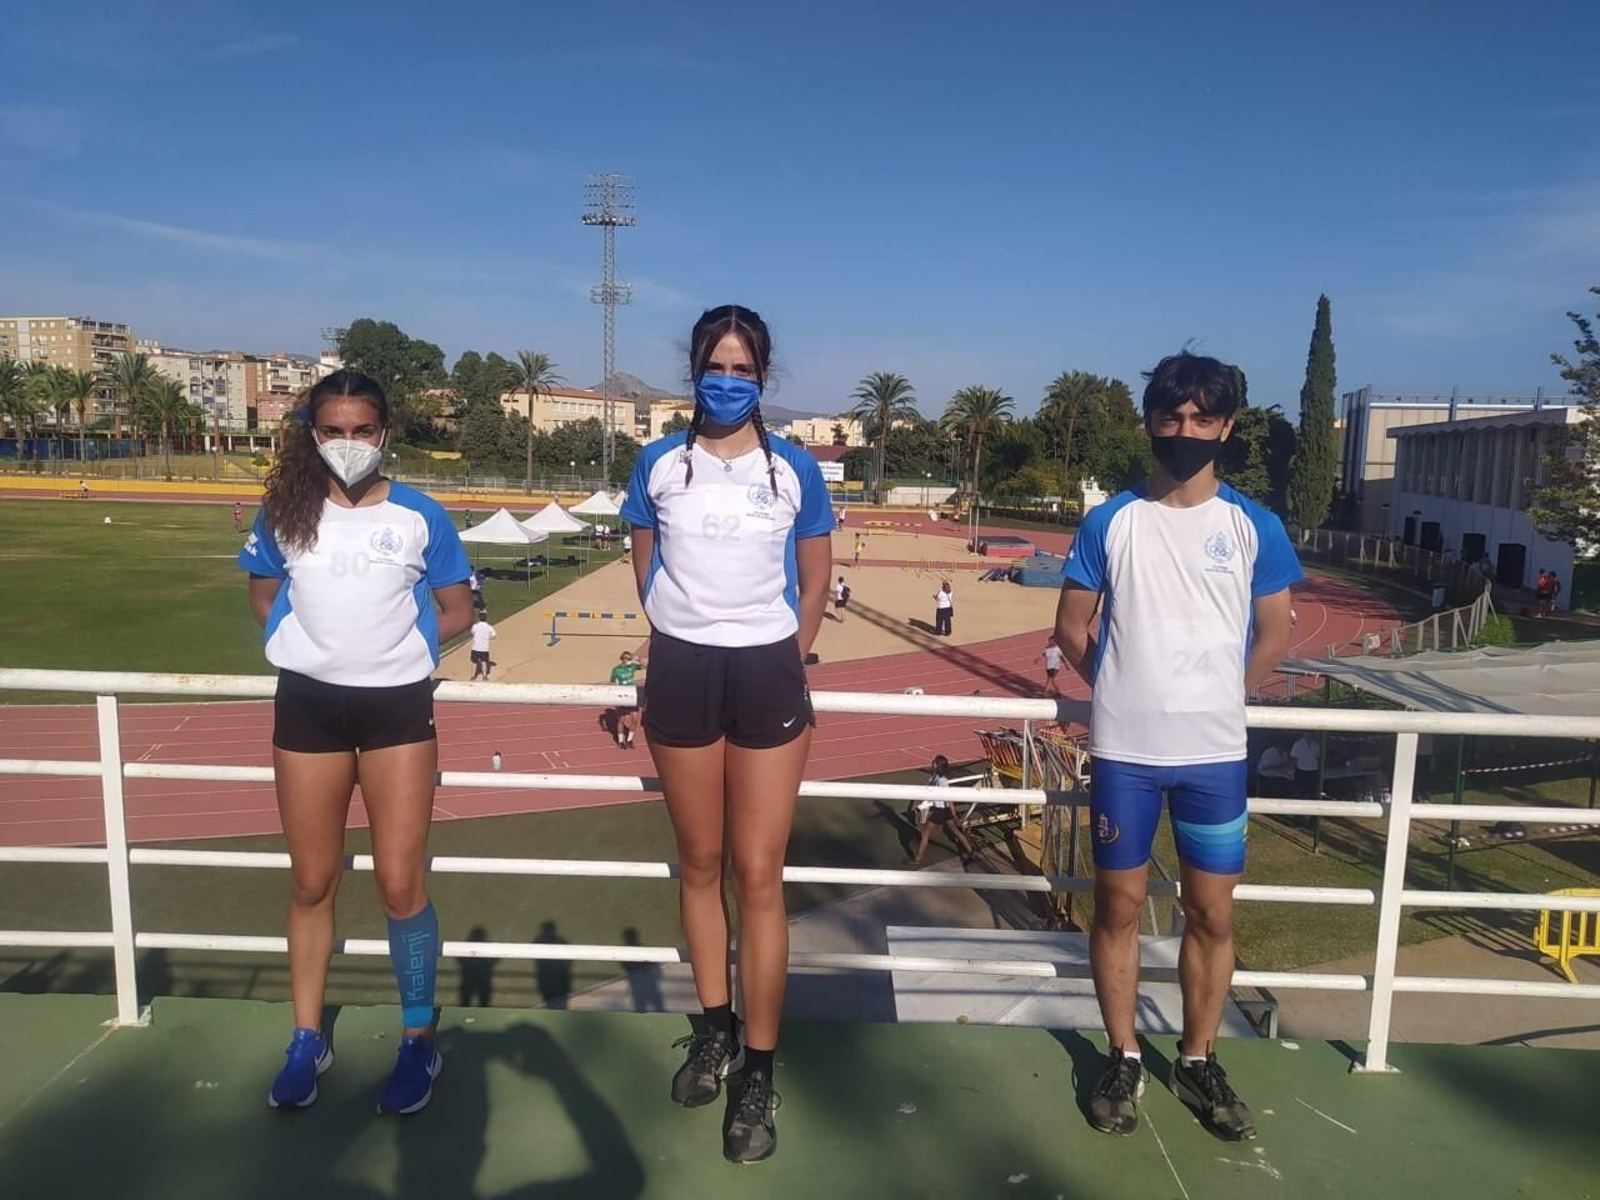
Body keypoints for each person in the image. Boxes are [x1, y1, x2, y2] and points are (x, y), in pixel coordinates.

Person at [1055, 352, 1301, 1142]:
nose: (1185, 430)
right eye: (1172, 416)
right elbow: (1070, 628)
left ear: (1226, 427)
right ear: (1151, 421)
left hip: (1215, 757)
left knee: (1210, 913)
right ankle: (1122, 1055)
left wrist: (1220, 695)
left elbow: (1274, 633)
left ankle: (1197, 1059)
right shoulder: (1110, 521)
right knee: (1119, 908)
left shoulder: (1253, 526)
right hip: (1125, 752)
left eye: (1202, 418)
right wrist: (1121, 686)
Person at [621, 304, 832, 1164]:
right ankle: (714, 1030)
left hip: (767, 673)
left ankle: (758, 1068)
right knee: (700, 864)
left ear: (763, 378)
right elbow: (644, 559)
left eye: (744, 369)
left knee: (758, 874)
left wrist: (785, 648)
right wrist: (680, 629)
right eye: (717, 364)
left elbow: (816, 575)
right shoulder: (658, 465)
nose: (729, 379)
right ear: (695, 369)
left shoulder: (794, 471)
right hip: (681, 668)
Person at [236, 370, 473, 1116]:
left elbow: (457, 604)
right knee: (312, 881)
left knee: (400, 884)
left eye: (361, 430)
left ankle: (416, 1042)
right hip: (307, 709)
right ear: (314, 432)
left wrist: (399, 651)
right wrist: (302, 645)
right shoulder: (286, 513)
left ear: (384, 433)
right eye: (332, 430)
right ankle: (307, 1037)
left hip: (398, 710)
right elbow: (263, 593)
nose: (347, 444)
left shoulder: (419, 515)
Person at [910, 754, 977, 864]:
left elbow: (948, 797)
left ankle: (918, 859)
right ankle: (971, 852)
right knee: (955, 831)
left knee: (925, 833)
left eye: (934, 762)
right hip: (944, 811)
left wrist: (954, 815)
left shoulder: (942, 781)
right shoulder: (935, 776)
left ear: (938, 765)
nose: (932, 763)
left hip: (940, 811)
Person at [609, 649, 646, 748]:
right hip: (622, 696)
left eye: (630, 658)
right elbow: (612, 683)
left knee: (635, 718)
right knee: (622, 719)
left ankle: (629, 739)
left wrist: (638, 660)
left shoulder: (632, 666)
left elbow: (645, 666)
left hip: (632, 695)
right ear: (623, 659)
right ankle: (621, 741)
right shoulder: (616, 670)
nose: (629, 660)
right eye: (628, 658)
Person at [1290, 732, 1321, 800]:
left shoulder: (1316, 745)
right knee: (1301, 791)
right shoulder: (1297, 744)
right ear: (1304, 734)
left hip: (1313, 770)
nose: (1309, 734)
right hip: (1301, 769)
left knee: (1312, 791)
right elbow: (1294, 758)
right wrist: (1292, 770)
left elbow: (1318, 758)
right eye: (1307, 733)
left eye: (1310, 733)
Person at [469, 614, 497, 680]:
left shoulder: (475, 626)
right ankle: (484, 676)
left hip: (475, 648)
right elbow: (494, 636)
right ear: (486, 618)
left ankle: (474, 676)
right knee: (484, 662)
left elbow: (472, 633)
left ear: (479, 618)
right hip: (484, 648)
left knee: (474, 662)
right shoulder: (489, 627)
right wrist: (488, 638)